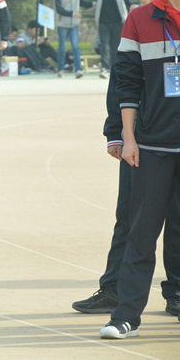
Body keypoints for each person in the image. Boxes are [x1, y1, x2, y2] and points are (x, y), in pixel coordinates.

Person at [101, 0, 180, 338]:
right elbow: (126, 86)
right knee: (141, 233)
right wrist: (127, 137)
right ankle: (126, 315)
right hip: (152, 146)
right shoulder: (139, 19)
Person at [72, 65, 180, 316]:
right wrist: (115, 132)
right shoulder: (138, 38)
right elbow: (122, 80)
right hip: (141, 142)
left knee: (177, 218)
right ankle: (114, 289)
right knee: (130, 217)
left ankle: (176, 292)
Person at [93, 0, 131, 79]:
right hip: (103, 23)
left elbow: (128, 3)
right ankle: (105, 67)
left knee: (115, 46)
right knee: (104, 45)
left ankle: (115, 67)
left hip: (118, 23)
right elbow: (96, 3)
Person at [54, 0, 93, 78]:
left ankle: (78, 70)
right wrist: (73, 14)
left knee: (75, 47)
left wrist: (93, 3)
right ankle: (60, 70)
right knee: (62, 48)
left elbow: (82, 2)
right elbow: (59, 9)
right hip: (62, 24)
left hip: (74, 24)